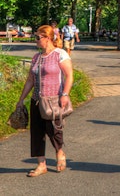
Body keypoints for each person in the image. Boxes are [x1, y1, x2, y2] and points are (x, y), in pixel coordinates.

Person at [16, 24, 74, 177]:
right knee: (36, 133)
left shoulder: (59, 54)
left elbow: (69, 76)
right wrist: (21, 99)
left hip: (53, 100)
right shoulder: (36, 57)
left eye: (37, 37)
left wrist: (65, 94)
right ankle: (41, 165)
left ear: (47, 38)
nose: (35, 40)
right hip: (37, 100)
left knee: (54, 130)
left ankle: (59, 152)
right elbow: (30, 80)